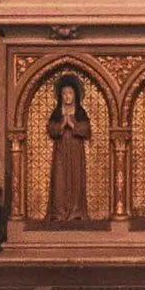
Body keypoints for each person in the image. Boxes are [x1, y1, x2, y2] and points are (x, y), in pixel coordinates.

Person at [46, 73, 92, 222]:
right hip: (60, 151)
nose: (67, 96)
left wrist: (72, 125)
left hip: (76, 151)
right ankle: (59, 212)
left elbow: (86, 130)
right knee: (59, 180)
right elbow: (51, 129)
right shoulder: (57, 112)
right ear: (60, 96)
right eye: (64, 93)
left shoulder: (80, 112)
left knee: (76, 180)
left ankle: (75, 212)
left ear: (75, 95)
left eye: (70, 93)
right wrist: (61, 126)